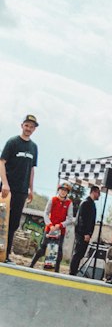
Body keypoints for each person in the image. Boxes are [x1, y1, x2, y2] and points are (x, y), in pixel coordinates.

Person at [1, 114, 40, 258]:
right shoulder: (12, 142)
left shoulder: (34, 147)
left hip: (22, 191)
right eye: (27, 125)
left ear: (34, 129)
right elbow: (1, 162)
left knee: (14, 223)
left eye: (32, 126)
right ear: (22, 125)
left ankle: (5, 254)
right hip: (8, 189)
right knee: (1, 219)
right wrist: (4, 183)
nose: (29, 128)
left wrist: (31, 189)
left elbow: (31, 169)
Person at [29, 183, 74, 268]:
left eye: (65, 191)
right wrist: (50, 225)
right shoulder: (52, 199)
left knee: (59, 251)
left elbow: (70, 219)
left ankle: (56, 270)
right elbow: (46, 213)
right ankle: (31, 264)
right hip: (49, 229)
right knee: (42, 248)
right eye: (62, 190)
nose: (63, 192)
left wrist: (60, 225)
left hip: (61, 230)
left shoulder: (69, 203)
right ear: (58, 190)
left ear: (67, 192)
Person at [69, 184, 101, 277]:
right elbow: (82, 219)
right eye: (98, 193)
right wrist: (86, 233)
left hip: (86, 233)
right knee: (78, 252)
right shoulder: (86, 203)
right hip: (81, 233)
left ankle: (74, 270)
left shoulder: (91, 204)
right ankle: (72, 271)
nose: (99, 195)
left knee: (81, 253)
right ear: (94, 192)